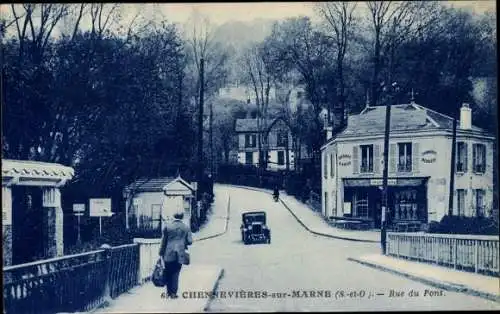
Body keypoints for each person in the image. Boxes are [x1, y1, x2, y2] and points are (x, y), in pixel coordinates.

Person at [158, 210, 193, 299]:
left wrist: (161, 252)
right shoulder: (186, 227)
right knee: (176, 273)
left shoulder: (167, 227)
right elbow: (190, 241)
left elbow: (163, 242)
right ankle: (173, 293)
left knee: (168, 271)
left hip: (168, 253)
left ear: (174, 216)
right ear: (182, 217)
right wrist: (183, 241)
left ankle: (169, 292)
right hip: (180, 254)